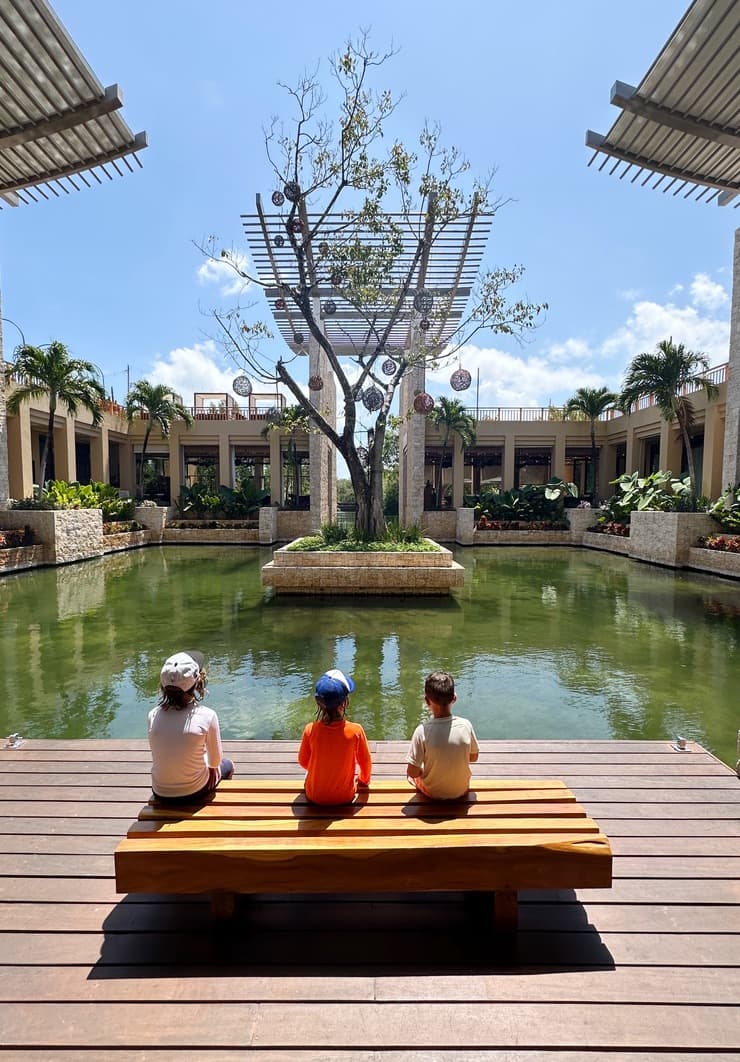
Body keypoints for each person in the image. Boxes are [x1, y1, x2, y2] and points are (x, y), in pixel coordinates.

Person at [148, 650, 234, 802]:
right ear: (197, 682)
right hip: (195, 790)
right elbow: (214, 763)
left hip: (160, 792)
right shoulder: (207, 715)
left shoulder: (153, 715)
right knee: (227, 765)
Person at [298, 668, 372, 804]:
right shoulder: (356, 731)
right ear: (344, 703)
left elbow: (303, 761)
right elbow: (365, 763)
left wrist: (322, 772)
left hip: (315, 796)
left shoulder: (310, 730)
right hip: (345, 797)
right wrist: (363, 780)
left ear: (319, 703)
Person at [406, 670, 479, 800]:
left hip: (432, 793)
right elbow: (473, 757)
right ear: (454, 698)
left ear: (427, 701)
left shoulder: (422, 731)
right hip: (461, 790)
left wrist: (422, 771)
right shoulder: (465, 725)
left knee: (412, 777)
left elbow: (412, 772)